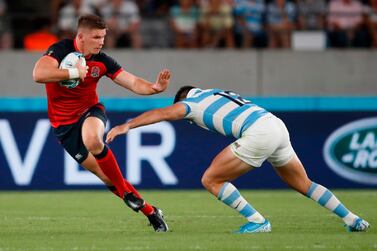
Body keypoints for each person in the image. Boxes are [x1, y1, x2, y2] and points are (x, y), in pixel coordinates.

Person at [106, 86, 370, 233]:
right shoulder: (214, 92)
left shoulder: (192, 103)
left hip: (259, 132)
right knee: (304, 183)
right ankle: (352, 219)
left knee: (211, 179)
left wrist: (125, 127)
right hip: (276, 124)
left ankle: (257, 222)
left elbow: (163, 113)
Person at [32, 14, 170, 232]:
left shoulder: (102, 61)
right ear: (81, 36)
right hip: (64, 127)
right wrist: (73, 72)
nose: (101, 41)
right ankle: (150, 211)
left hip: (90, 111)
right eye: (96, 37)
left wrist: (153, 88)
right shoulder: (60, 50)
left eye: (103, 37)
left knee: (93, 141)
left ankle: (126, 193)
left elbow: (132, 81)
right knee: (107, 178)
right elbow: (38, 74)